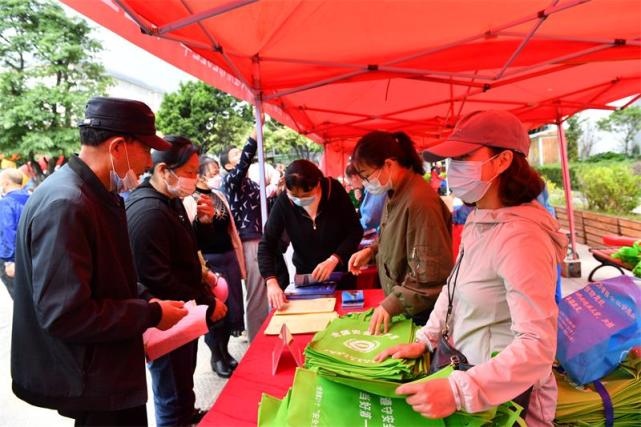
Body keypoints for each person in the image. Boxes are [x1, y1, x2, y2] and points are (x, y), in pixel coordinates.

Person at [376, 110, 567, 426]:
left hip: (504, 404)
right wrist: (426, 339)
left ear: (502, 161)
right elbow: (454, 289)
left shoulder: (523, 238)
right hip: (467, 377)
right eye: (451, 159)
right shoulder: (480, 217)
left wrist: (459, 390)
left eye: (463, 157)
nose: (453, 168)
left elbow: (537, 346)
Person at [11, 97, 188, 426]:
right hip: (91, 376)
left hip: (107, 369)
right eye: (145, 149)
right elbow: (66, 313)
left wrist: (147, 298)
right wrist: (150, 314)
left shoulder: (97, 194)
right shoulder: (67, 203)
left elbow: (108, 274)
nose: (148, 162)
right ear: (118, 147)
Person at [126, 136, 227, 426]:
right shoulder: (148, 212)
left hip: (183, 311)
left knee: (182, 379)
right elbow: (158, 278)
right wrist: (208, 303)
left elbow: (186, 250)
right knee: (170, 389)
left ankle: (186, 412)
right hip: (167, 316)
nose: (195, 178)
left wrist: (203, 225)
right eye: (190, 172)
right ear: (163, 171)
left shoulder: (171, 201)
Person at [347, 131, 453, 334]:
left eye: (367, 176)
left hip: (421, 315)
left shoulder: (420, 201)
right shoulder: (395, 192)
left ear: (388, 164)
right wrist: (371, 252)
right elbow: (395, 238)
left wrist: (392, 304)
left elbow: (429, 275)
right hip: (406, 307)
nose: (366, 183)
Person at [258, 160, 363, 310]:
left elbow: (355, 231)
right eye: (294, 195)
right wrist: (271, 282)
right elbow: (266, 244)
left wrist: (335, 258)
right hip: (307, 279)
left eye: (306, 194)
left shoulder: (333, 190)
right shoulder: (284, 202)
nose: (300, 199)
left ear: (318, 184)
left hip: (341, 274)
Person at [193, 155, 246, 378]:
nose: (217, 175)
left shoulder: (218, 195)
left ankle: (225, 352)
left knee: (232, 307)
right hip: (210, 260)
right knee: (215, 311)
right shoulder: (191, 199)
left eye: (217, 171)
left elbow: (229, 228)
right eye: (212, 171)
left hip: (228, 256)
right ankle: (216, 356)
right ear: (199, 174)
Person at [220, 123, 268, 342]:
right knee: (256, 292)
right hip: (249, 241)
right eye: (235, 154)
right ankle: (258, 340)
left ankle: (264, 333)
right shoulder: (231, 181)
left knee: (265, 289)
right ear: (229, 165)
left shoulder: (249, 183)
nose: (241, 156)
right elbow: (245, 161)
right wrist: (255, 132)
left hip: (260, 239)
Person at [0, 168, 29, 299]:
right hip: (32, 254)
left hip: (13, 258)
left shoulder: (6, 203)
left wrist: (9, 261)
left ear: (6, 182)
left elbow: (7, 231)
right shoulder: (31, 198)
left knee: (20, 298)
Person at [346, 163, 387, 232]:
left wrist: (348, 227)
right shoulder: (366, 188)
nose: (352, 187)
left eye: (366, 175)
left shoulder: (374, 185)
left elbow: (370, 219)